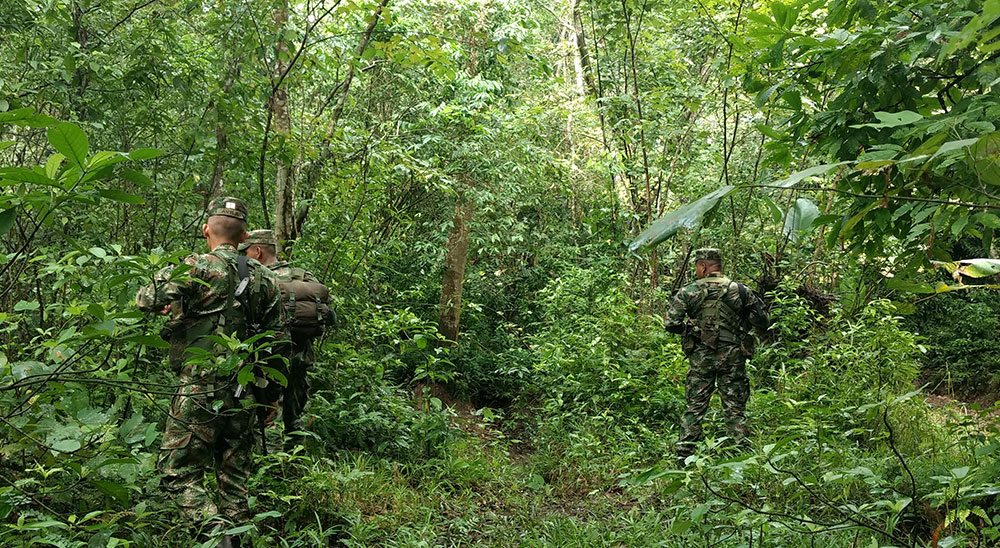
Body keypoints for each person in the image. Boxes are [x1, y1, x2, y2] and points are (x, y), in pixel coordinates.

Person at [136, 197, 283, 547]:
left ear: (206, 229)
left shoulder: (197, 267)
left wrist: (175, 305)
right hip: (245, 393)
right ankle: (239, 540)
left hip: (199, 392)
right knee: (234, 485)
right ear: (244, 235)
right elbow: (278, 344)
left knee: (176, 474)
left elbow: (145, 298)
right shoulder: (265, 278)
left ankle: (216, 538)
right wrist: (269, 400)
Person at [664, 248, 769, 467]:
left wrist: (691, 328)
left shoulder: (689, 291)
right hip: (732, 356)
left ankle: (685, 455)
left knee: (695, 405)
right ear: (719, 266)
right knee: (734, 406)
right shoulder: (740, 290)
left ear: (702, 266)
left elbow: (670, 324)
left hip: (701, 357)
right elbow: (762, 320)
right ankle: (739, 453)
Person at [239, 229, 333, 448]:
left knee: (268, 417)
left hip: (269, 361)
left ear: (258, 251)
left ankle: (272, 473)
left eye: (245, 252)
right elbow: (328, 314)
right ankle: (297, 466)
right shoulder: (303, 275)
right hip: (301, 359)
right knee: (294, 418)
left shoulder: (258, 279)